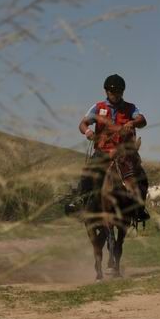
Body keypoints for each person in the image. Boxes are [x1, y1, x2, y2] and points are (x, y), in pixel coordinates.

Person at [66, 74, 149, 221]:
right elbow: (82, 123)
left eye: (119, 92)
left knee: (141, 175)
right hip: (103, 151)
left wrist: (133, 123)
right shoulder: (98, 108)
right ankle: (79, 200)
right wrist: (88, 131)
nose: (116, 95)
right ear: (106, 92)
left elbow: (142, 120)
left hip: (125, 153)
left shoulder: (131, 108)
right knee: (88, 171)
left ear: (123, 92)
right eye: (112, 92)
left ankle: (140, 208)